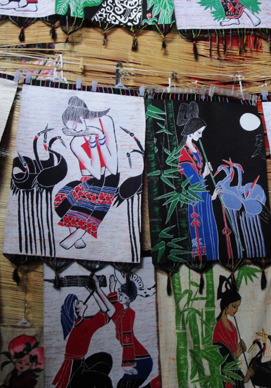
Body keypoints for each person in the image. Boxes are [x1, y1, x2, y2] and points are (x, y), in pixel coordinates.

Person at [54, 96, 119, 251]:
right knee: (62, 198)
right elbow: (96, 173)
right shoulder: (75, 143)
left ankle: (76, 235)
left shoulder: (106, 121)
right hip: (91, 179)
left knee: (99, 190)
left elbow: (113, 167)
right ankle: (76, 234)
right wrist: (92, 139)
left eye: (74, 126)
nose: (75, 131)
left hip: (109, 179)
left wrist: (99, 135)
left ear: (82, 118)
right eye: (71, 130)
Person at [53, 274, 114, 388]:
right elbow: (110, 310)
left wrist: (94, 291)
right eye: (77, 302)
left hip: (79, 365)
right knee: (105, 381)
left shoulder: (81, 323)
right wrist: (97, 289)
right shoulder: (84, 326)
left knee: (105, 359)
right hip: (75, 373)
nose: (80, 301)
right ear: (76, 309)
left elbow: (104, 310)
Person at [176, 102, 219, 260]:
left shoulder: (196, 149)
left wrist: (205, 173)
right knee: (201, 227)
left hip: (202, 194)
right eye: (199, 133)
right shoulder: (183, 153)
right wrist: (204, 175)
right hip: (194, 196)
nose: (200, 136)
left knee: (210, 227)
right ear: (190, 132)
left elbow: (199, 174)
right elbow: (193, 181)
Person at [98, 273, 153, 388]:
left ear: (129, 300)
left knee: (123, 386)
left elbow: (127, 338)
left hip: (140, 359)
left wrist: (127, 363)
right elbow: (109, 307)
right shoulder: (120, 313)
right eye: (120, 294)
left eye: (124, 296)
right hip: (136, 358)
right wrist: (102, 289)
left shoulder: (129, 314)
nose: (121, 298)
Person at [214, 275, 252, 388]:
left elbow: (232, 355)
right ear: (225, 306)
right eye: (234, 306)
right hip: (224, 370)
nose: (236, 310)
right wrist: (235, 355)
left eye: (237, 307)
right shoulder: (217, 327)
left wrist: (238, 352)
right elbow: (223, 355)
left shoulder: (232, 326)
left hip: (232, 367)